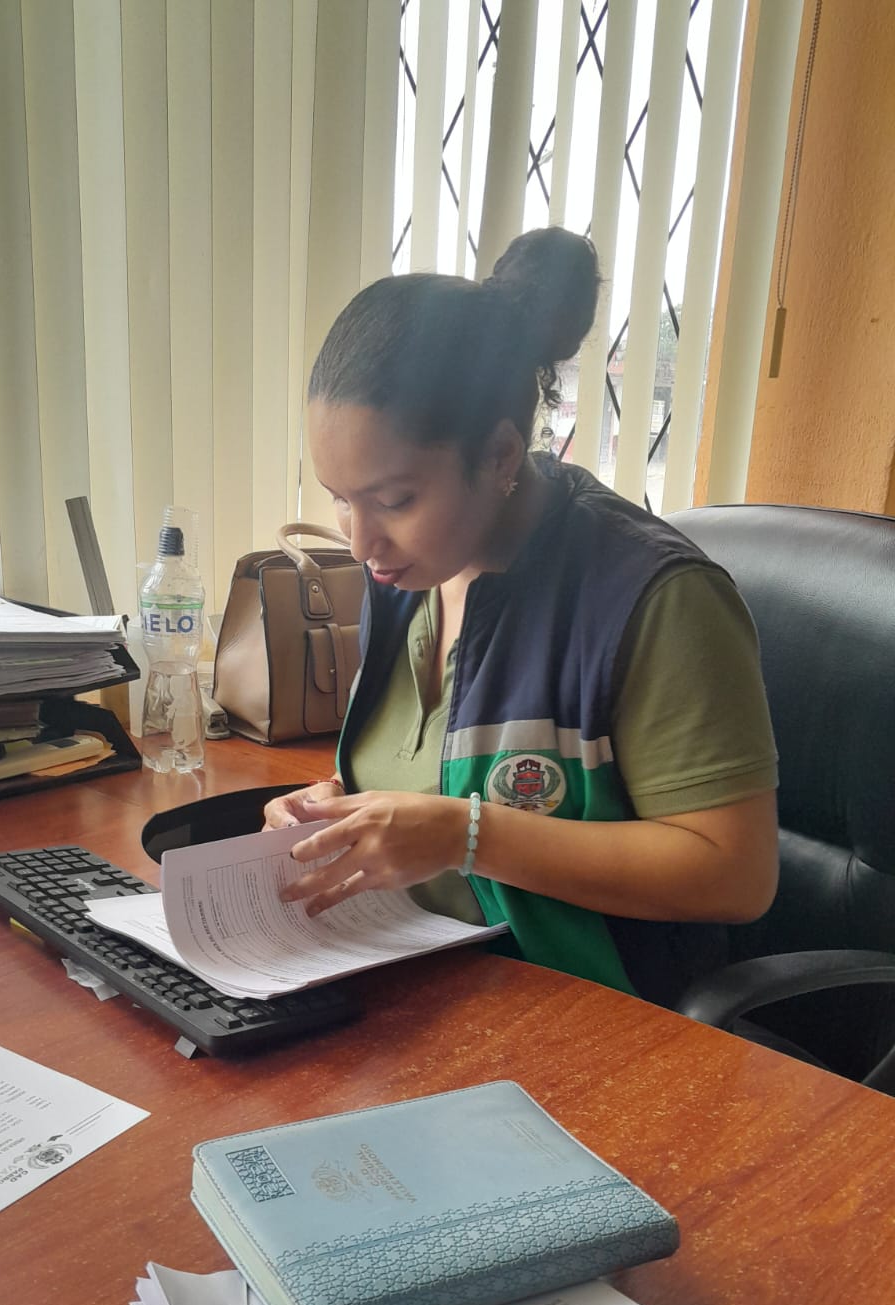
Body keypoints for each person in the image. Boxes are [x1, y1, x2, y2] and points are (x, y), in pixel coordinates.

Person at [264, 227, 778, 1006]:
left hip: (588, 1019)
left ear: (502, 457)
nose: (361, 541)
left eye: (394, 500)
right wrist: (331, 809)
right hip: (414, 984)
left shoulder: (653, 599)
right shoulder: (408, 572)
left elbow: (735, 875)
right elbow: (430, 765)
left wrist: (464, 835)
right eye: (341, 499)